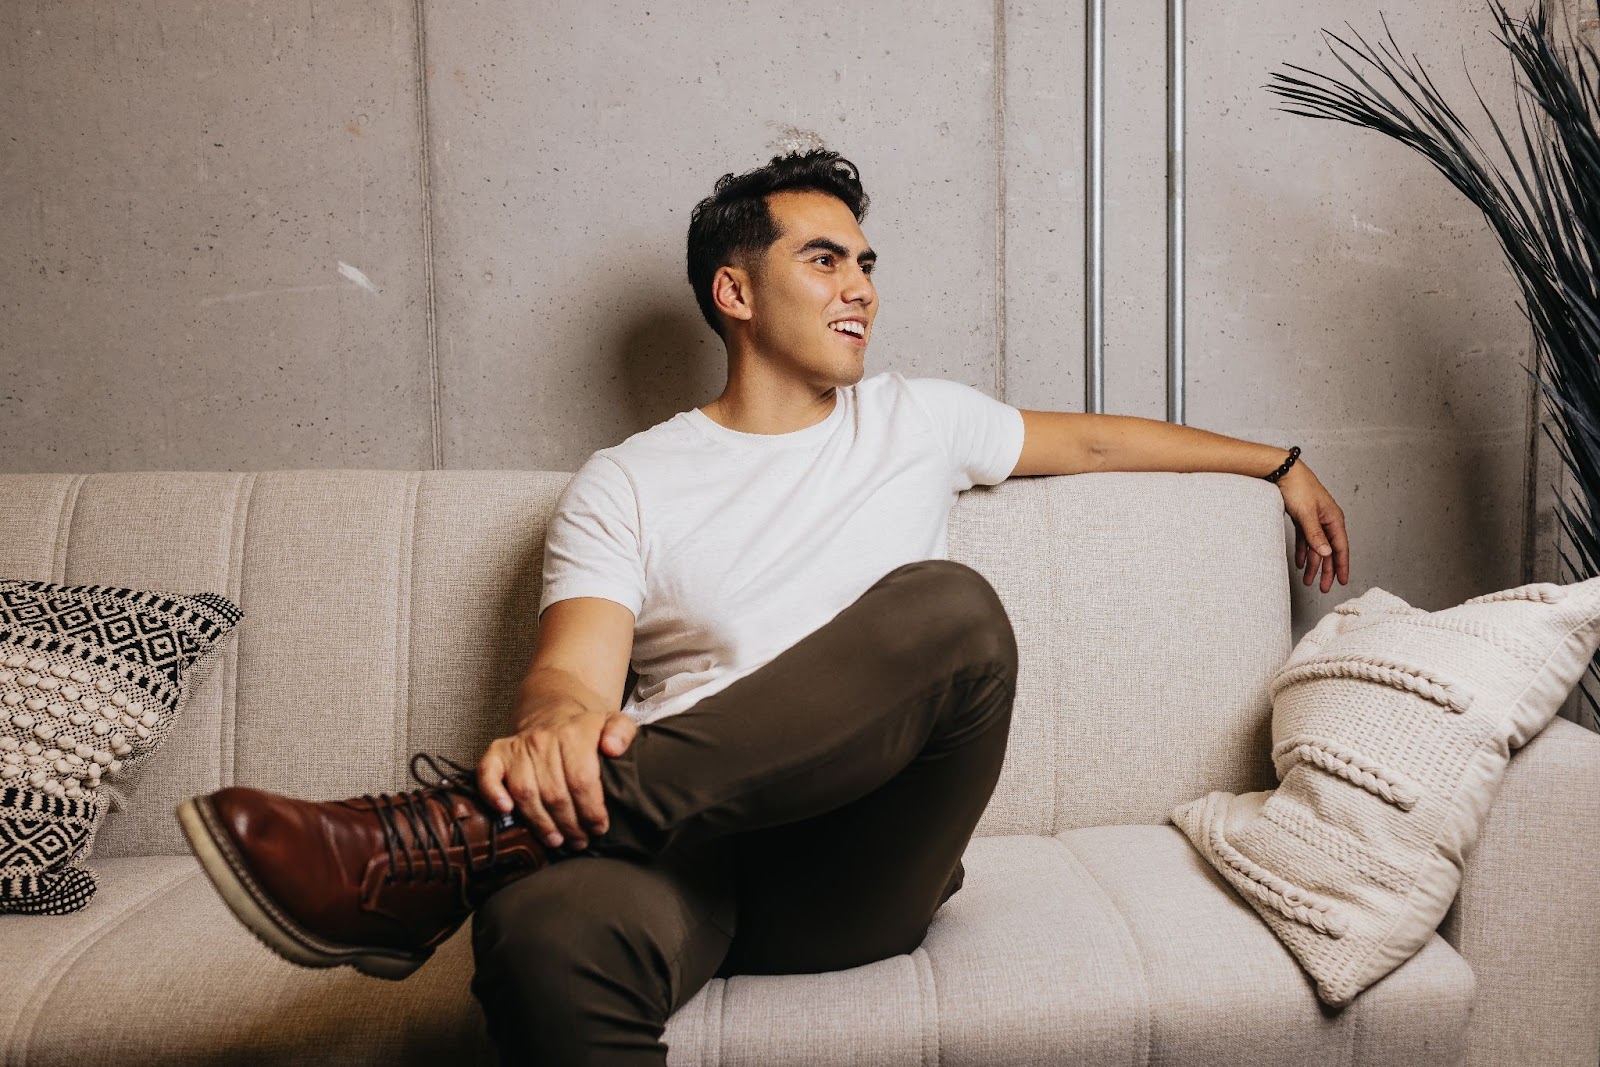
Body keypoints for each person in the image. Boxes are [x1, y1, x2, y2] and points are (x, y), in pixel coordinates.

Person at [177, 147, 1350, 1066]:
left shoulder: (917, 421)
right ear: (733, 291)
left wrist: (1278, 460)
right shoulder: (628, 479)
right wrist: (551, 732)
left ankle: (450, 840)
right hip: (672, 855)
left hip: (862, 856)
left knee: (950, 610)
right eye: (824, 260)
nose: (862, 288)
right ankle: (500, 845)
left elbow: (1091, 440)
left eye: (866, 263)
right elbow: (573, 673)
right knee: (537, 933)